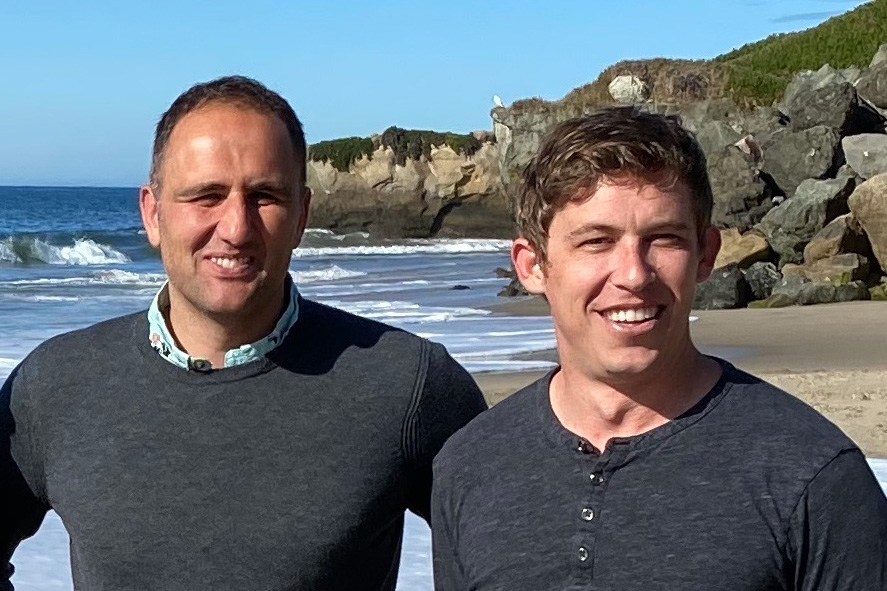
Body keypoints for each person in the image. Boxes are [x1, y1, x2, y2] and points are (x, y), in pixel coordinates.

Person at [0, 75, 486, 590]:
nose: (235, 227)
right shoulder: (55, 386)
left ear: (301, 215)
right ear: (153, 213)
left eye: (265, 196)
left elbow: (512, 558)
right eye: (206, 196)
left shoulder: (408, 383)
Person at [431, 107, 887, 590]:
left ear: (706, 254)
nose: (633, 274)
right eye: (596, 242)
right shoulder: (470, 466)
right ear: (532, 266)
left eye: (663, 238)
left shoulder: (811, 473)